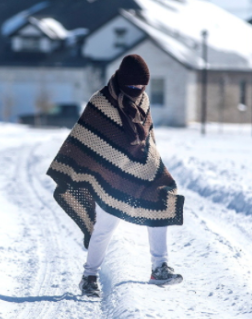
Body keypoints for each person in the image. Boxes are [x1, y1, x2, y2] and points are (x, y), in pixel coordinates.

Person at [47, 54, 184, 298]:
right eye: (133, 86)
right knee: (105, 228)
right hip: (109, 176)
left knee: (161, 202)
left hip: (141, 170)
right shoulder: (101, 101)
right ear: (122, 80)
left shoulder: (143, 99)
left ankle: (159, 268)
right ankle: (89, 277)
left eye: (142, 87)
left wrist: (151, 163)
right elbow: (86, 138)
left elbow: (148, 137)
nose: (137, 91)